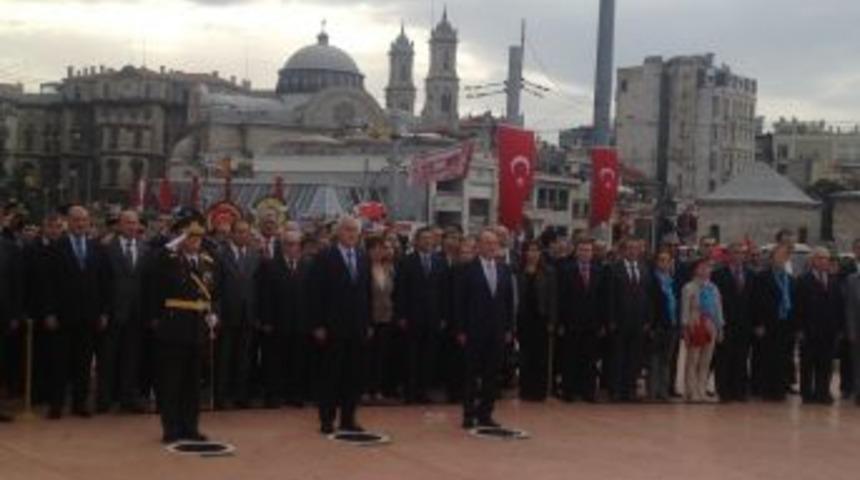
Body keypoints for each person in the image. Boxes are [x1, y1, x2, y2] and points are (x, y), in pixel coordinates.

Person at [150, 218, 220, 443]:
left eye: (198, 236)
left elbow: (215, 293)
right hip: (174, 327)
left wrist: (214, 314)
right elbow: (157, 260)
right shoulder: (170, 258)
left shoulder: (208, 261)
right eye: (190, 236)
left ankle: (191, 427)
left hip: (198, 328)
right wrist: (177, 239)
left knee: (192, 383)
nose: (195, 241)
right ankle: (171, 428)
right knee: (172, 382)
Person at [45, 205, 110, 419]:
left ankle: (80, 404)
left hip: (89, 315)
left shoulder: (96, 248)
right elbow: (48, 284)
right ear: (68, 222)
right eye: (76, 220)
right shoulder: (56, 247)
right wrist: (50, 313)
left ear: (88, 222)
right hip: (62, 316)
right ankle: (56, 405)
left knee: (83, 363)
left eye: (83, 220)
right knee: (59, 362)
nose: (80, 224)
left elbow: (103, 283)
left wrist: (102, 312)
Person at [310, 216, 372, 434]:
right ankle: (327, 419)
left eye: (355, 230)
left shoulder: (364, 257)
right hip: (332, 326)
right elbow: (315, 293)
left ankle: (348, 418)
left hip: (357, 326)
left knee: (353, 375)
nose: (352, 234)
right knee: (330, 374)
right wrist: (318, 324)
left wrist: (368, 322)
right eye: (347, 230)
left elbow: (367, 292)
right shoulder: (325, 256)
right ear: (338, 232)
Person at [455, 229, 515, 428]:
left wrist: (508, 329)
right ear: (478, 245)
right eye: (487, 243)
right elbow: (459, 302)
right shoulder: (467, 269)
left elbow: (508, 302)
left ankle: (486, 414)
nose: (491, 247)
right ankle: (468, 414)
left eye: (494, 243)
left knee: (492, 374)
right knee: (471, 374)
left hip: (497, 331)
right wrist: (461, 330)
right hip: (473, 330)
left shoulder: (504, 269)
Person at [100, 210, 149, 413]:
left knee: (132, 357)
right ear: (119, 225)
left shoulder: (146, 249)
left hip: (137, 313)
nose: (131, 226)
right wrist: (102, 311)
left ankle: (128, 398)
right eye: (127, 223)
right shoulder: (105, 249)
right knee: (108, 357)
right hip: (112, 311)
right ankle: (104, 399)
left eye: (134, 223)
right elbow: (100, 282)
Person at [258, 230, 313, 408]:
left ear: (300, 247)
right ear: (282, 246)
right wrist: (266, 321)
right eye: (288, 244)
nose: (292, 248)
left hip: (301, 323)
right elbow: (264, 295)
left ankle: (295, 395)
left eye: (295, 244)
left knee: (298, 361)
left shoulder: (308, 266)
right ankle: (273, 395)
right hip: (276, 323)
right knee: (274, 361)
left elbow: (312, 296)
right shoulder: (269, 266)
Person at [214, 219, 261, 410]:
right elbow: (215, 286)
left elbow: (258, 287)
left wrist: (257, 314)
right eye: (239, 232)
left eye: (246, 232)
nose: (243, 235)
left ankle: (241, 396)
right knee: (224, 357)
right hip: (227, 314)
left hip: (248, 314)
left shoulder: (254, 255)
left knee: (244, 357)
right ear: (232, 234)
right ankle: (221, 396)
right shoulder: (219, 254)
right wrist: (215, 313)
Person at [395, 227, 445, 404]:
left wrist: (442, 316)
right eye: (423, 238)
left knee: (428, 356)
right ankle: (410, 391)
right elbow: (401, 290)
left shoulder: (440, 262)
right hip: (412, 316)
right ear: (416, 241)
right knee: (411, 356)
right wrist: (401, 315)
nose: (427, 242)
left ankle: (423, 391)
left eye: (430, 239)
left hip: (433, 316)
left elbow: (443, 291)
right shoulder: (406, 262)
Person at [557, 239, 606, 402]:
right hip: (571, 322)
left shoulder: (599, 271)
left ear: (592, 253)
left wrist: (601, 323)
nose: (585, 253)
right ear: (577, 252)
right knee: (570, 358)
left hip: (592, 323)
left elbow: (602, 299)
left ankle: (588, 392)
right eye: (582, 250)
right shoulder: (566, 271)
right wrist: (561, 322)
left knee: (589, 359)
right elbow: (561, 298)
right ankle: (569, 392)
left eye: (588, 250)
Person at [795, 247, 843, 404]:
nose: (824, 261)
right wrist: (799, 329)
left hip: (828, 331)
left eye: (826, 258)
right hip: (809, 330)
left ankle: (823, 392)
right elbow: (798, 307)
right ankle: (807, 394)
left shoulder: (834, 281)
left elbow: (839, 306)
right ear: (813, 260)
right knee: (807, 364)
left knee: (825, 363)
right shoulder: (803, 280)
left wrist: (839, 328)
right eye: (820, 258)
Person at [608, 238, 654, 402]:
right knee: (618, 357)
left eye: (636, 248)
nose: (633, 251)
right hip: (620, 321)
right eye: (629, 248)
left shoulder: (645, 269)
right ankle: (616, 390)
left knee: (634, 358)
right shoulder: (614, 269)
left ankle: (630, 390)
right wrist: (611, 319)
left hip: (639, 322)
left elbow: (649, 296)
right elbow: (611, 296)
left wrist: (649, 319)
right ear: (623, 251)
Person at [751, 243, 797, 402]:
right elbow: (756, 302)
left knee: (783, 357)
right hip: (767, 323)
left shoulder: (790, 279)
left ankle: (780, 389)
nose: (783, 258)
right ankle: (764, 389)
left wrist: (795, 325)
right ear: (772, 258)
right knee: (766, 356)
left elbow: (794, 302)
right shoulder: (763, 277)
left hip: (785, 323)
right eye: (780, 255)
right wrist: (758, 323)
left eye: (786, 255)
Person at [712, 242, 755, 402]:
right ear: (728, 255)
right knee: (724, 358)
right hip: (725, 322)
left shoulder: (750, 275)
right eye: (735, 252)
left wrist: (754, 323)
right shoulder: (718, 275)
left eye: (741, 253)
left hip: (744, 323)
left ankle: (739, 391)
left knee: (741, 358)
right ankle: (724, 391)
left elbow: (753, 300)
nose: (738, 256)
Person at [516, 240, 557, 402]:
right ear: (524, 253)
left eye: (535, 251)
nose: (532, 254)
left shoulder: (549, 272)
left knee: (540, 356)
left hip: (541, 318)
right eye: (529, 250)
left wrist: (552, 320)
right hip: (524, 318)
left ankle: (539, 391)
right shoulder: (518, 270)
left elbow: (553, 298)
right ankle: (525, 389)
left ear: (540, 253)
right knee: (525, 355)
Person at [680, 258, 724, 402]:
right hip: (695, 322)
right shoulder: (689, 287)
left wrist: (720, 327)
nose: (706, 270)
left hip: (710, 324)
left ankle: (701, 389)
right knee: (693, 359)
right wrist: (685, 328)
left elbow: (718, 309)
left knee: (706, 360)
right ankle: (691, 391)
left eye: (709, 267)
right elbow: (685, 310)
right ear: (696, 270)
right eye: (703, 267)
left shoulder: (713, 288)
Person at [366, 235, 398, 400]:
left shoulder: (389, 269)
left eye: (383, 248)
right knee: (367, 355)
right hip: (369, 318)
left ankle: (377, 389)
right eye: (377, 248)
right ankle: (365, 389)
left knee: (381, 355)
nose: (380, 251)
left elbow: (393, 293)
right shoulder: (364, 268)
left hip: (386, 317)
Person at [650, 250, 681, 402]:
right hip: (657, 325)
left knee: (666, 360)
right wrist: (651, 324)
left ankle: (664, 391)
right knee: (654, 360)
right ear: (656, 262)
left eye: (667, 260)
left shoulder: (673, 281)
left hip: (672, 325)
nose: (664, 263)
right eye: (661, 260)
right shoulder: (651, 280)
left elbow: (677, 303)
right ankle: (653, 392)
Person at [845, 259, 860, 406]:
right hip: (857, 329)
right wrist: (851, 331)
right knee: (857, 364)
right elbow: (849, 308)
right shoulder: (852, 280)